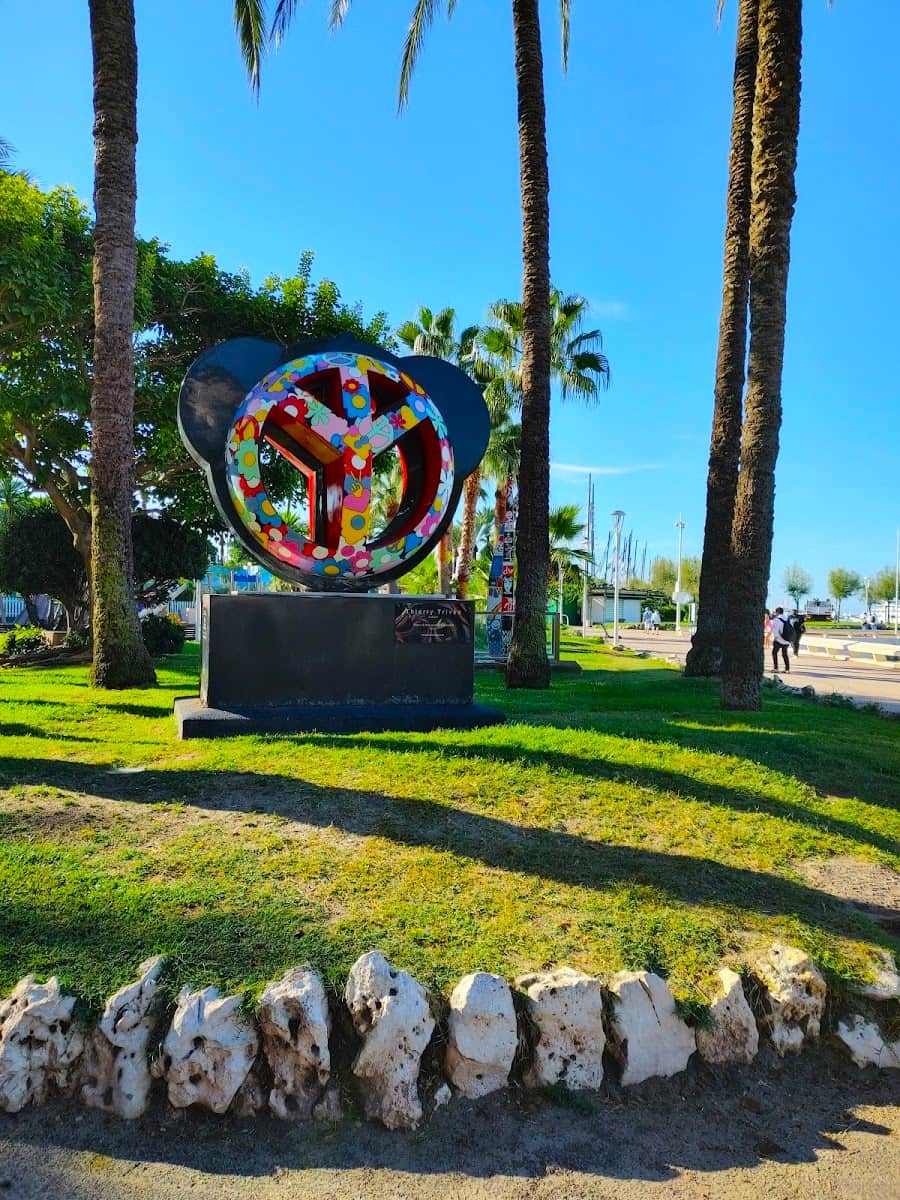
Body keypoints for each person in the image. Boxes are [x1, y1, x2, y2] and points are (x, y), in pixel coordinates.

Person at [770, 607, 791, 673]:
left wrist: (776, 637)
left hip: (779, 640)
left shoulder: (777, 619)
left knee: (774, 653)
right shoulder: (788, 618)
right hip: (787, 640)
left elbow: (775, 631)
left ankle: (776, 668)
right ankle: (787, 669)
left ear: (777, 612)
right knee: (785, 654)